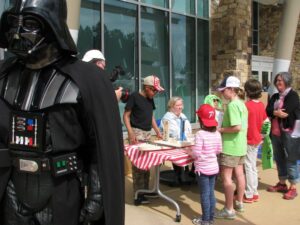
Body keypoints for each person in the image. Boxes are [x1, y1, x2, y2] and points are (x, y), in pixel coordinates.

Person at [0, 1, 124, 225]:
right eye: (13, 23)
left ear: (51, 24)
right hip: (12, 188)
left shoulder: (87, 79)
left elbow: (100, 145)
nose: (17, 33)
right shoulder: (4, 75)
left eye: (29, 24)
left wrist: (97, 193)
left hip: (60, 190)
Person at [123, 75, 163, 204]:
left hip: (147, 133)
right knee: (138, 165)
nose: (155, 93)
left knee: (146, 164)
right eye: (154, 90)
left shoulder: (150, 100)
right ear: (146, 88)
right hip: (137, 132)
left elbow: (151, 117)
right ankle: (138, 196)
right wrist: (130, 132)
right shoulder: (134, 97)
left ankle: (145, 191)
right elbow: (126, 116)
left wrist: (157, 131)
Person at [214, 75, 248, 220]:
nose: (222, 94)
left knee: (226, 178)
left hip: (230, 146)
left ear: (231, 89)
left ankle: (229, 209)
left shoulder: (233, 105)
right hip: (240, 146)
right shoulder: (241, 103)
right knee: (240, 175)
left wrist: (220, 130)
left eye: (223, 91)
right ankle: (239, 202)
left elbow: (236, 127)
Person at [266, 72, 300, 200]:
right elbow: (267, 110)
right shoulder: (275, 96)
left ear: (287, 81)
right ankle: (282, 183)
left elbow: (285, 113)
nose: (278, 82)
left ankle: (293, 187)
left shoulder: (293, 95)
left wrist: (274, 112)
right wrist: (276, 112)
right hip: (275, 132)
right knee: (279, 158)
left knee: (291, 159)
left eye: (280, 80)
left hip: (290, 133)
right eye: (277, 80)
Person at [191, 104, 222, 225]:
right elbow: (219, 150)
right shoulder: (217, 134)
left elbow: (196, 153)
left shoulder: (200, 134)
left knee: (204, 194)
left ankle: (205, 220)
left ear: (200, 120)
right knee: (211, 194)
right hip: (214, 168)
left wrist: (190, 152)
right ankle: (211, 218)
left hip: (202, 170)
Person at [243, 79, 268, 203]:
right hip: (257, 139)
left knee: (248, 167)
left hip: (249, 140)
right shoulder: (261, 105)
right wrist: (262, 136)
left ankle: (249, 194)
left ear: (247, 91)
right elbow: (266, 122)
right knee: (252, 166)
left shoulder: (247, 106)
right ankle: (254, 192)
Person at [160, 96, 193, 183]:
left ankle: (192, 172)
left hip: (183, 142)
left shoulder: (182, 116)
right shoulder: (167, 118)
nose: (180, 107)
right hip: (173, 144)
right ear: (171, 106)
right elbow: (175, 134)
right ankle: (179, 174)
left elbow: (188, 129)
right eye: (178, 105)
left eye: (181, 105)